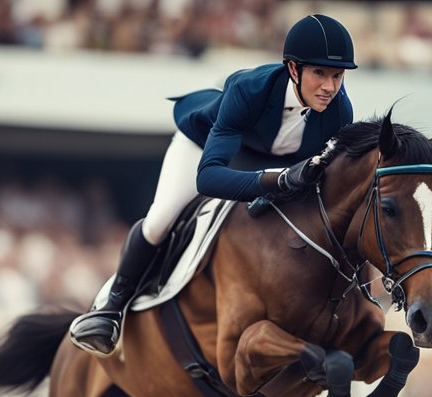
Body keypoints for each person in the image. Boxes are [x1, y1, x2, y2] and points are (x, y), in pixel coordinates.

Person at [68, 13, 357, 356]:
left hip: (269, 163)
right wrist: (277, 180)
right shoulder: (249, 89)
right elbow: (208, 177)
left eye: (337, 76)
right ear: (293, 69)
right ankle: (111, 308)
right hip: (204, 147)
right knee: (162, 218)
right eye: (319, 74)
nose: (329, 87)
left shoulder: (340, 112)